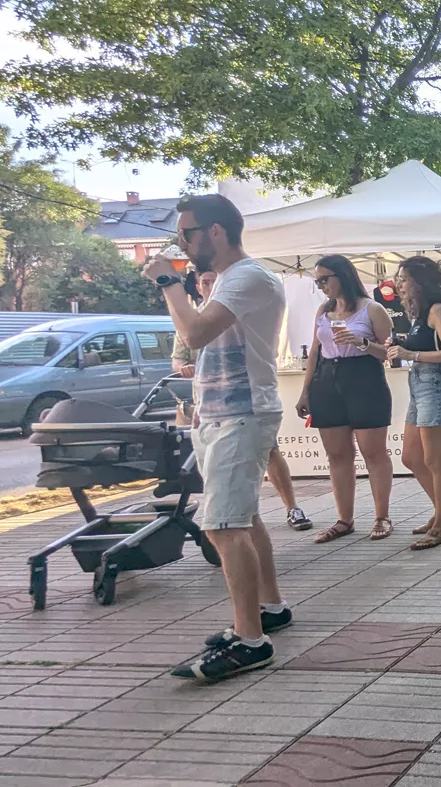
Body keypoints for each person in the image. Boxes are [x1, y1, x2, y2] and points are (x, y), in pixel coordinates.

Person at [146, 194, 288, 681]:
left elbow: (198, 335)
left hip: (241, 413)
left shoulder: (248, 276)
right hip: (223, 414)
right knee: (241, 518)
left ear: (216, 232)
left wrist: (168, 281)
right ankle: (269, 610)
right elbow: (193, 337)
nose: (181, 242)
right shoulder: (230, 279)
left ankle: (251, 641)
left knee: (222, 527)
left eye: (186, 233)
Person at [173, 270, 311, 532]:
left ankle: (292, 506)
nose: (210, 286)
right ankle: (240, 512)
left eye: (215, 281)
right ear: (198, 287)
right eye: (205, 282)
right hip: (206, 405)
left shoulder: (240, 311)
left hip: (244, 404)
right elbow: (179, 355)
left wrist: (169, 284)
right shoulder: (190, 319)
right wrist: (184, 367)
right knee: (220, 479)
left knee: (270, 452)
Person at [296, 254, 396, 543]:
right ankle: (345, 519)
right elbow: (315, 352)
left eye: (324, 279)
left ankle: (382, 516)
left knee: (373, 452)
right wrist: (306, 390)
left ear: (343, 276)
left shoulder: (372, 309)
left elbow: (389, 353)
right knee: (337, 454)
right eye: (318, 281)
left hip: (364, 378)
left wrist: (362, 343)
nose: (321, 286)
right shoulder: (323, 311)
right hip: (328, 380)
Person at [385, 257, 441, 550]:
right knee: (411, 457)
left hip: (436, 386)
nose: (399, 284)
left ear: (420, 281)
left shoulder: (437, 311)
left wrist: (411, 354)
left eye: (404, 279)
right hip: (420, 386)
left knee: (435, 461)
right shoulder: (419, 316)